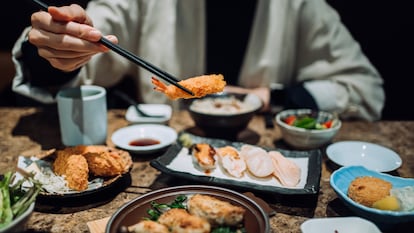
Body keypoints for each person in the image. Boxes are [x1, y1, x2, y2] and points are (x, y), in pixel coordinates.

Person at [11, 0, 385, 121]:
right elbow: (89, 47)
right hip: (163, 154)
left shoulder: (300, 7)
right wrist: (56, 48)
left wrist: (271, 96)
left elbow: (366, 91)